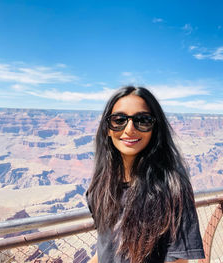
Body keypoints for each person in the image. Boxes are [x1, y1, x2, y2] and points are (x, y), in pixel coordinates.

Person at [86, 86, 205, 263]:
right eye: (119, 120)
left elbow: (179, 261)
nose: (129, 129)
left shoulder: (172, 189)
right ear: (108, 129)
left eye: (143, 120)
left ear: (154, 129)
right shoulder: (101, 187)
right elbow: (104, 251)